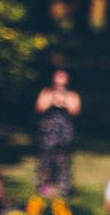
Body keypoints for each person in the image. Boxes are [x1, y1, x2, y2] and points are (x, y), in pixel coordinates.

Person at [34, 67, 81, 198]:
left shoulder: (72, 95)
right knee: (45, 161)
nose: (60, 80)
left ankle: (64, 189)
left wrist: (64, 102)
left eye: (63, 77)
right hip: (48, 133)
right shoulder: (46, 92)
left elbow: (75, 110)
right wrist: (52, 100)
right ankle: (43, 189)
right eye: (58, 77)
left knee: (63, 160)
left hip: (64, 133)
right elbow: (39, 107)